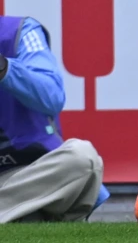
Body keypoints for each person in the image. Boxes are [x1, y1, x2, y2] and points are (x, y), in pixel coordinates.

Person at [0, 16, 107, 223]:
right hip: (29, 194)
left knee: (82, 158)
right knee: (33, 216)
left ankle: (21, 213)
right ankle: (25, 214)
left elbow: (52, 96)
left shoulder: (20, 31)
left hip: (31, 175)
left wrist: (4, 68)